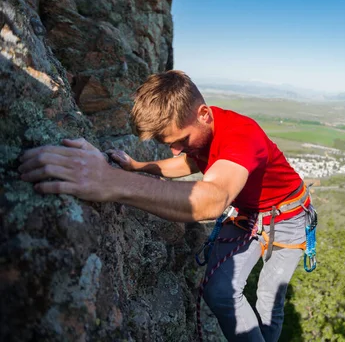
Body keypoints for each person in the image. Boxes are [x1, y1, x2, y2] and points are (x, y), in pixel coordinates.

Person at [18, 70, 315, 342]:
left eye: (180, 139)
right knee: (220, 293)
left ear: (203, 114)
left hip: (287, 218)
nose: (175, 149)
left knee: (268, 297)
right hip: (247, 214)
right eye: (168, 142)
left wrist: (112, 181)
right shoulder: (201, 131)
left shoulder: (242, 136)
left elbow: (211, 200)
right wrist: (137, 166)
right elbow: (187, 161)